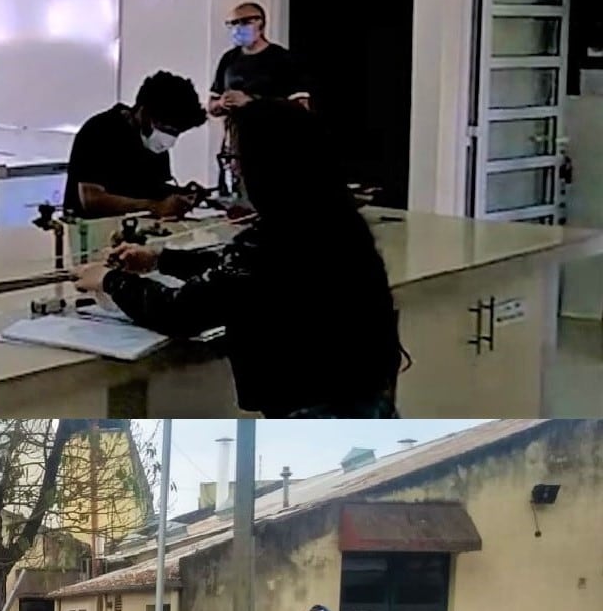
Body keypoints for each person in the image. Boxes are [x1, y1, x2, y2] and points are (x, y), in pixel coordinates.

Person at [74, 99, 409, 418]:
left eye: (234, 158)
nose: (233, 169)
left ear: (266, 165)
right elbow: (237, 270)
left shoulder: (273, 241)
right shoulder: (332, 221)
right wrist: (159, 260)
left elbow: (180, 311)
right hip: (366, 401)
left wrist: (109, 280)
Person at [63, 72, 208, 220]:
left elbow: (152, 188)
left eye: (177, 133)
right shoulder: (100, 130)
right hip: (93, 231)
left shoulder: (153, 144)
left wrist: (182, 194)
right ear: (144, 113)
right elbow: (91, 199)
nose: (169, 139)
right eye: (167, 129)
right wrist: (153, 206)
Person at [208, 3, 311, 119]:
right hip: (236, 133)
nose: (238, 28)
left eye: (245, 22)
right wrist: (221, 103)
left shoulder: (284, 58)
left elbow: (302, 107)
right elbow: (212, 106)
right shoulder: (228, 58)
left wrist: (252, 101)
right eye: (233, 23)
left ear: (261, 24)